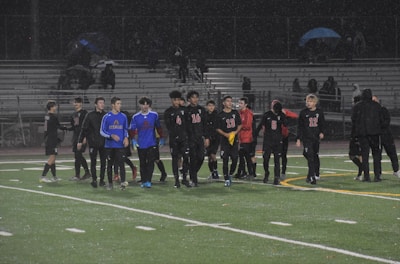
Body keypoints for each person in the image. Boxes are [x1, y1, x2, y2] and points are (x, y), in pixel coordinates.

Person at [130, 97, 164, 188]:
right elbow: (132, 130)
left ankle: (148, 180)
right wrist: (133, 139)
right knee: (142, 163)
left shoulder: (154, 115)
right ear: (140, 105)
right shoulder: (135, 117)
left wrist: (161, 138)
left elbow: (158, 127)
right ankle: (143, 180)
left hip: (152, 143)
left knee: (150, 162)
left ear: (149, 105)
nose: (145, 106)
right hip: (141, 144)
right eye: (143, 104)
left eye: (146, 104)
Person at [351, 89, 383, 182]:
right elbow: (381, 119)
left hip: (363, 134)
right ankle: (377, 176)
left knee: (365, 156)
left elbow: (353, 119)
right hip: (375, 134)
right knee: (376, 155)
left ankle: (366, 176)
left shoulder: (358, 106)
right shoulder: (377, 106)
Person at [100, 97, 130, 190]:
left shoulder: (123, 116)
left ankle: (123, 183)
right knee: (110, 165)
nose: (119, 106)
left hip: (120, 145)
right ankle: (110, 183)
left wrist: (126, 137)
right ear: (113, 105)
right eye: (118, 104)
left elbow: (125, 129)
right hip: (109, 146)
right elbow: (102, 131)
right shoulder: (106, 116)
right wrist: (111, 136)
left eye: (120, 104)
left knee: (121, 164)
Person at [296, 94, 325, 184]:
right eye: (307, 101)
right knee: (309, 155)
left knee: (314, 156)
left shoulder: (319, 112)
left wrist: (322, 132)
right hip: (307, 138)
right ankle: (312, 176)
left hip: (315, 138)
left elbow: (322, 123)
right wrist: (298, 139)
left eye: (311, 101)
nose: (308, 103)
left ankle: (313, 173)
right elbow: (300, 127)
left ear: (315, 103)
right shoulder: (303, 113)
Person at [78, 97, 107, 188]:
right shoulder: (90, 115)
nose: (102, 104)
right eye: (100, 103)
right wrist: (80, 140)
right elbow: (84, 129)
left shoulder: (106, 115)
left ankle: (102, 180)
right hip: (93, 143)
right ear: (95, 104)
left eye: (103, 103)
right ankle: (94, 180)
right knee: (93, 162)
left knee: (103, 162)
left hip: (104, 142)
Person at [256, 100, 287, 185]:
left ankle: (276, 177)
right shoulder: (267, 115)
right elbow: (260, 125)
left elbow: (286, 124)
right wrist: (255, 134)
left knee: (277, 160)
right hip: (268, 141)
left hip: (278, 141)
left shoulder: (281, 115)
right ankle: (267, 173)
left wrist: (283, 116)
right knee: (266, 159)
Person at [164, 90, 191, 188]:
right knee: (175, 159)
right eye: (174, 100)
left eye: (178, 100)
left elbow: (188, 124)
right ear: (171, 100)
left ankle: (184, 177)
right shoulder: (168, 112)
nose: (176, 102)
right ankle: (176, 180)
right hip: (174, 139)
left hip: (184, 139)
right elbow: (169, 127)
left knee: (186, 157)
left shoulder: (185, 110)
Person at [216, 95, 242, 187]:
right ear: (223, 103)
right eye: (228, 101)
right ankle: (226, 178)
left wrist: (235, 132)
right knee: (225, 160)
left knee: (235, 158)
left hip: (234, 140)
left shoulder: (235, 113)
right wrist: (225, 134)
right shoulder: (220, 115)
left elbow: (239, 125)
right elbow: (217, 128)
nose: (230, 103)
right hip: (224, 141)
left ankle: (230, 174)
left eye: (231, 101)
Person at [40, 101, 68, 183]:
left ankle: (54, 176)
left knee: (53, 158)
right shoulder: (53, 117)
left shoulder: (46, 116)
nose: (55, 108)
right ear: (51, 107)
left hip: (48, 138)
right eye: (54, 106)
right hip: (52, 139)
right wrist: (66, 128)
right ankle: (43, 176)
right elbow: (59, 126)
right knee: (52, 158)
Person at [372, 95, 400, 178]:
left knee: (392, 153)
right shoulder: (372, 112)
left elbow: (387, 121)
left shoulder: (383, 110)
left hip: (386, 135)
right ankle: (378, 174)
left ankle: (396, 170)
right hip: (378, 136)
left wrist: (378, 126)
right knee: (377, 156)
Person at [185, 90, 209, 187]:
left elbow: (205, 124)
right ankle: (193, 179)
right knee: (193, 158)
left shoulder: (201, 110)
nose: (195, 99)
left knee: (201, 157)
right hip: (191, 138)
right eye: (193, 97)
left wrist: (206, 137)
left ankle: (192, 173)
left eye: (196, 97)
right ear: (189, 99)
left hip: (199, 138)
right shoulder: (186, 111)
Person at [68, 97, 91, 181]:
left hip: (81, 137)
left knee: (78, 154)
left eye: (77, 102)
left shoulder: (85, 113)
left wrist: (85, 137)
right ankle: (81, 174)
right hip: (75, 137)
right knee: (77, 155)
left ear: (81, 103)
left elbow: (87, 126)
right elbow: (73, 126)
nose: (75, 104)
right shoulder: (73, 114)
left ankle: (82, 173)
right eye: (74, 102)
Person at [114, 110, 138, 183]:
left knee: (122, 157)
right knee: (116, 156)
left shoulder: (125, 118)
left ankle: (132, 168)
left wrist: (133, 139)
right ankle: (116, 174)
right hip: (117, 140)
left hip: (124, 140)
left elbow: (130, 130)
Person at [236, 97, 255, 179]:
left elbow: (247, 126)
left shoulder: (248, 113)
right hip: (240, 137)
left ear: (245, 105)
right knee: (241, 156)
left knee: (247, 156)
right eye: (239, 103)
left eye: (241, 103)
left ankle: (250, 173)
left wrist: (239, 126)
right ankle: (244, 172)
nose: (239, 105)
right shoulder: (239, 113)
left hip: (247, 138)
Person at [280, 103, 299, 180]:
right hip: (275, 138)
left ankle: (283, 172)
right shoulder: (270, 115)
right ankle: (277, 172)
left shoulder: (284, 113)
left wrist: (285, 113)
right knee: (276, 156)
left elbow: (295, 116)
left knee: (283, 155)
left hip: (284, 137)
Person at [205, 100, 220, 180]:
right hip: (207, 138)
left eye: (212, 106)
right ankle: (212, 172)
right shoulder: (205, 115)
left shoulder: (217, 115)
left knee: (213, 155)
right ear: (207, 107)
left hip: (215, 138)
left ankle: (215, 171)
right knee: (209, 157)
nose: (211, 107)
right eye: (209, 105)